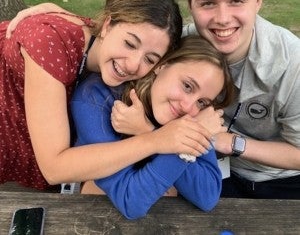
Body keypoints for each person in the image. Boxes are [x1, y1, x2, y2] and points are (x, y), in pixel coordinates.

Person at [0, 0, 212, 190]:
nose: (132, 65)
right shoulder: (49, 42)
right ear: (107, 25)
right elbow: (54, 168)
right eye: (130, 44)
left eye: (150, 59)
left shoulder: (102, 40)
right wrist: (155, 141)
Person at [183, 0, 300, 199]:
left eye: (236, 0)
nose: (222, 18)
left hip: (282, 180)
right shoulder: (179, 48)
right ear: (190, 5)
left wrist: (230, 143)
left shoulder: (294, 62)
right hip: (205, 171)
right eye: (207, 3)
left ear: (259, 0)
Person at [71, 35, 234, 219]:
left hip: (165, 217)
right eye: (187, 86)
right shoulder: (97, 99)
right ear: (162, 65)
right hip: (99, 214)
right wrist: (172, 143)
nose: (188, 107)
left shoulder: (194, 116)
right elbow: (130, 201)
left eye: (202, 102)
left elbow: (208, 196)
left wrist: (150, 132)